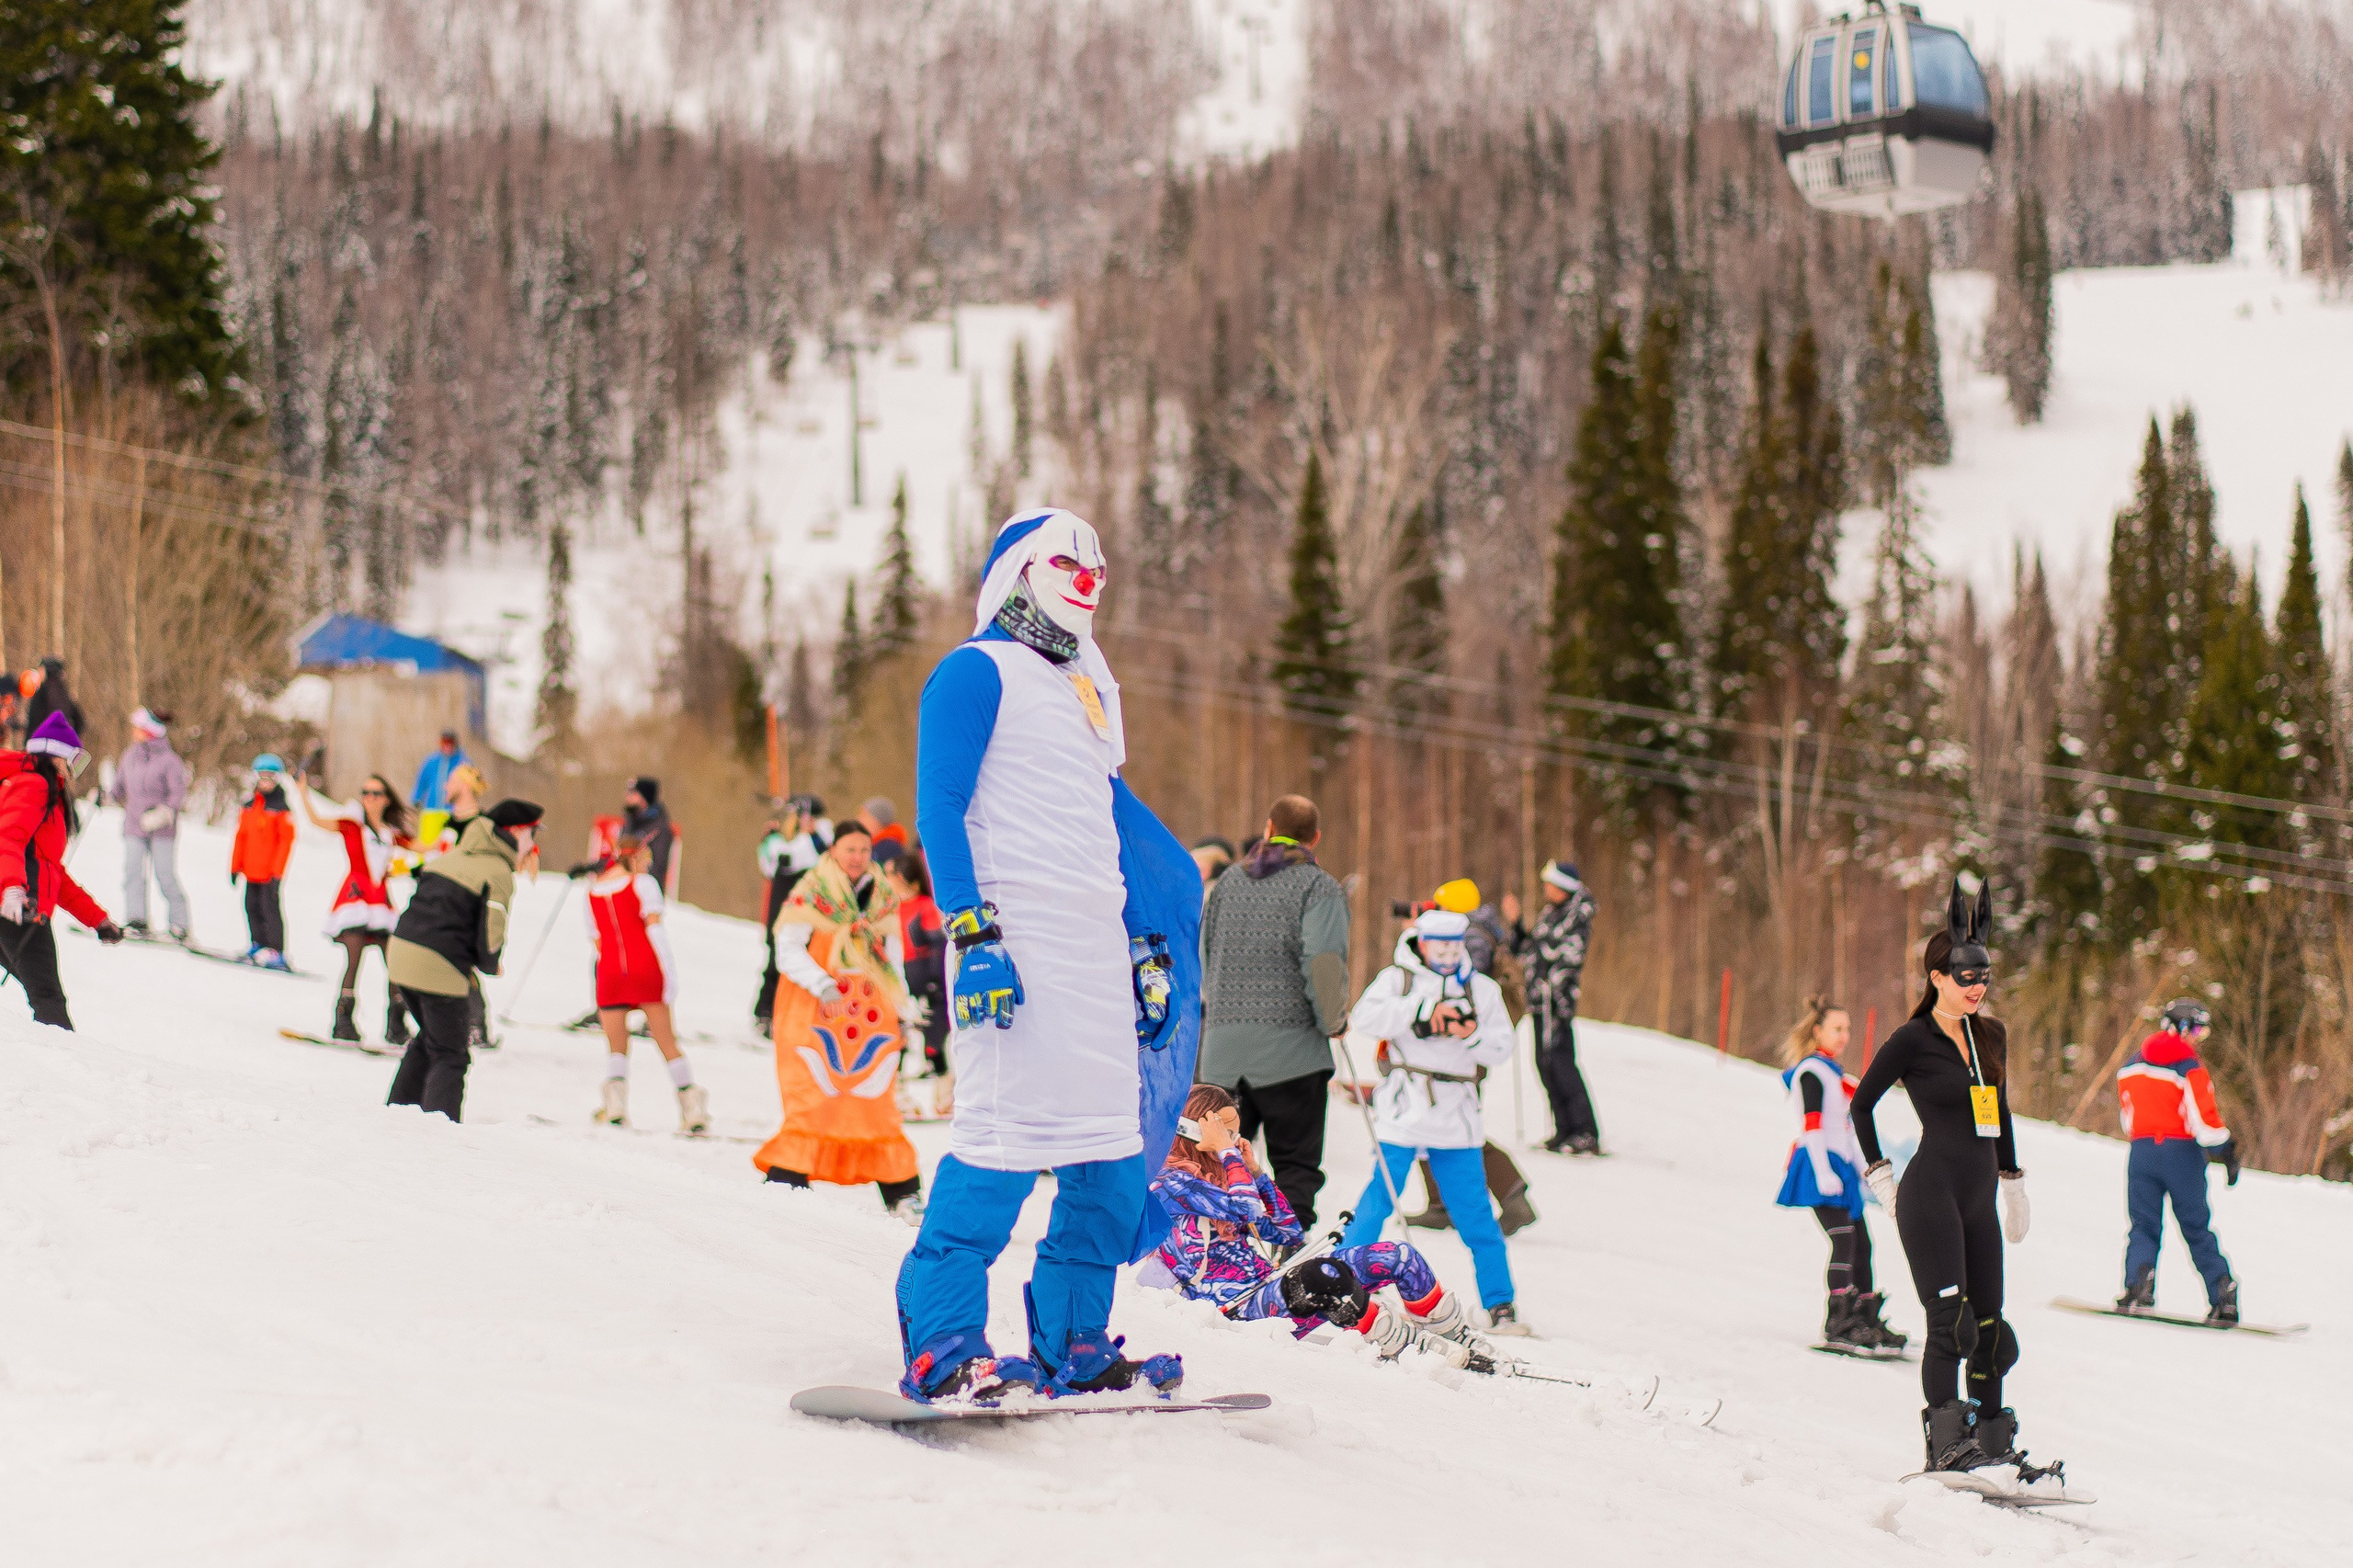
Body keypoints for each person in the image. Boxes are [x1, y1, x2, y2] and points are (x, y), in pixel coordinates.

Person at [895, 506, 1190, 1405]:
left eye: (1099, 560)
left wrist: (1147, 951)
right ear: (1021, 568)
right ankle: (946, 1341)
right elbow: (939, 810)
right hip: (1011, 953)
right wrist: (971, 931)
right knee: (998, 1151)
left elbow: (1114, 836)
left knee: (1107, 1162)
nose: (1090, 574)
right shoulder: (972, 672)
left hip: (1095, 963)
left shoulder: (1087, 696)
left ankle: (1076, 1342)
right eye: (1070, 557)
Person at [1852, 880, 2053, 1481]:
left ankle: (1989, 1442)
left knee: (1991, 1329)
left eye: (1984, 978)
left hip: (1979, 1199)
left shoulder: (1989, 1036)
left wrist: (2012, 1181)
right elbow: (1861, 1105)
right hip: (1930, 1194)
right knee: (1951, 1325)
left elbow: (2002, 1112)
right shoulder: (1912, 1040)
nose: (1977, 988)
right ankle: (1945, 1443)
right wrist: (1882, 1181)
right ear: (1937, 977)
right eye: (1966, 977)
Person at [1139, 1084, 1495, 1366]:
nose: (1233, 1142)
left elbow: (1287, 1232)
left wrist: (1258, 1174)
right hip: (1233, 1308)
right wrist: (1231, 1158)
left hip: (1266, 1286)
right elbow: (1244, 1210)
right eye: (1224, 1133)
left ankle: (1453, 1334)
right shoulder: (1170, 1181)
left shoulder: (1227, 1175)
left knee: (1397, 1256)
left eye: (1234, 1134)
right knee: (1325, 1278)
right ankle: (1404, 1345)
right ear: (1192, 1130)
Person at [1337, 908, 1529, 1335]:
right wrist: (1421, 1010)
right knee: (1379, 1200)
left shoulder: (1481, 989)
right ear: (1421, 943)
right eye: (1438, 944)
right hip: (1404, 1109)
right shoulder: (1397, 979)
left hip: (1456, 1114)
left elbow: (1501, 1047)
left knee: (1475, 1214)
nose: (1446, 952)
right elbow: (1365, 1019)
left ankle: (1500, 1305)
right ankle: (1339, 1281)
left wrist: (1468, 1033)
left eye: (1454, 943)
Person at [1196, 793, 1350, 1230]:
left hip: (1222, 1059)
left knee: (1220, 1164)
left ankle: (1217, 1252)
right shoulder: (1319, 888)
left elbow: (1204, 957)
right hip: (1291, 1058)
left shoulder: (1226, 885)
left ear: (1267, 829)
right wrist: (1333, 1020)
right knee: (1294, 1169)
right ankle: (1287, 1250)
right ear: (1315, 838)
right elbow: (1323, 962)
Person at [755, 820, 923, 1210]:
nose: (858, 858)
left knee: (874, 1101)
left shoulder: (882, 894)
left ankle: (900, 1189)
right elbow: (787, 948)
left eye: (864, 851)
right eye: (850, 850)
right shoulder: (811, 891)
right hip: (815, 1011)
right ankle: (789, 1174)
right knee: (813, 1096)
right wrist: (822, 983)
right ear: (833, 851)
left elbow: (892, 956)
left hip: (868, 1016)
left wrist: (903, 1005)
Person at [386, 800, 541, 1121]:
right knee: (452, 1052)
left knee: (431, 1036)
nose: (534, 843)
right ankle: (441, 1129)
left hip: (401, 954)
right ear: (515, 832)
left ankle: (398, 1113)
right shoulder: (498, 871)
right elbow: (491, 931)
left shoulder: (452, 855)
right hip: (437, 964)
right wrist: (490, 962)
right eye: (533, 834)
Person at [1400, 877, 1536, 1235]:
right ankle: (1445, 1202)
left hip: (1461, 1049)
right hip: (1461, 1047)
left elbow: (1453, 985)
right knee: (1439, 1121)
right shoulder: (1485, 930)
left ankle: (1508, 1192)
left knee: (1451, 1125)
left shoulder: (1471, 937)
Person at [1776, 994, 1905, 1354]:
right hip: (1818, 1166)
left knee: (1863, 1243)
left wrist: (1867, 1170)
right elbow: (1812, 1126)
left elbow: (1847, 1128)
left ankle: (1864, 1317)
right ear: (1817, 1031)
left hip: (1843, 1169)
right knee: (1844, 1239)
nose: (1843, 1035)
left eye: (1847, 1029)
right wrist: (1821, 1172)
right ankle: (1839, 1321)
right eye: (1836, 1029)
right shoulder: (1811, 1072)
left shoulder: (1835, 1075)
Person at [2115, 998, 2241, 1323]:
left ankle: (2138, 1287)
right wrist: (2225, 1150)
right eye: (2197, 1029)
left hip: (2142, 1151)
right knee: (2196, 1228)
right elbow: (2204, 1120)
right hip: (2181, 1154)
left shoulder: (2130, 1065)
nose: (2198, 1037)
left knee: (2143, 1226)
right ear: (2180, 1027)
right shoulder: (2188, 1066)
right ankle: (2223, 1294)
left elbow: (2127, 1118)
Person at [0, 716, 124, 1027]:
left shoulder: (48, 793)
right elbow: (7, 837)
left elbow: (53, 872)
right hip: (18, 909)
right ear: (54, 755)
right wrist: (12, 890)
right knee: (48, 997)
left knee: (41, 991)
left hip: (18, 905)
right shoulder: (34, 785)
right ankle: (68, 1067)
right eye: (74, 759)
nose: (74, 770)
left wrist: (97, 919)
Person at [585, 835, 709, 1134]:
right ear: (638, 857)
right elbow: (654, 930)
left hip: (611, 972)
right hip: (646, 968)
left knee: (616, 1045)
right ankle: (691, 1105)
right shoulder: (643, 885)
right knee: (666, 1040)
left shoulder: (592, 891)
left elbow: (599, 941)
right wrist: (668, 973)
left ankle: (615, 1105)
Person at [293, 771, 415, 1043]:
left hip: (381, 902)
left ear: (386, 800)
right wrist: (302, 791)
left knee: (394, 963)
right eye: (365, 793)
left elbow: (422, 847)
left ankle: (396, 1025)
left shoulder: (391, 833)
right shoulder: (352, 825)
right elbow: (315, 821)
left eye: (375, 793)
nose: (369, 798)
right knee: (354, 959)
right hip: (356, 898)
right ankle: (343, 1022)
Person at [1519, 858, 1600, 1154]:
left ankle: (1585, 1132)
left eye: (1550, 884)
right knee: (1545, 1064)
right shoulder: (1551, 913)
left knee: (1563, 1063)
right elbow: (1531, 948)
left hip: (1558, 1002)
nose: (1545, 889)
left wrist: (1552, 987)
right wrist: (1517, 925)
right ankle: (1564, 1128)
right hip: (1540, 1001)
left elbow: (1568, 958)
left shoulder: (1576, 915)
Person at [112, 707, 192, 941]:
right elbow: (119, 787)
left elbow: (178, 794)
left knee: (164, 874)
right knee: (132, 872)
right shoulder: (130, 755)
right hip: (134, 825)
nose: (135, 731)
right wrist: (106, 796)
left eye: (139, 727)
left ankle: (180, 924)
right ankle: (137, 919)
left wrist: (164, 812)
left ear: (150, 730)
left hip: (161, 828)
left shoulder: (170, 761)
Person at [754, 794, 831, 1028]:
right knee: (776, 960)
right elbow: (774, 862)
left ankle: (790, 1013)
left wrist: (809, 834)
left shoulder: (820, 838)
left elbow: (805, 856)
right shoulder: (780, 840)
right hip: (781, 906)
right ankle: (767, 1012)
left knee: (802, 961)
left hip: (806, 910)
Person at [886, 847, 951, 1083]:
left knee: (930, 1019)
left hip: (923, 971)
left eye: (889, 874)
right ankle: (895, 1064)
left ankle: (935, 1061)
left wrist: (934, 980)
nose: (886, 880)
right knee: (899, 1021)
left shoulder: (924, 905)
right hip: (901, 970)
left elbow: (937, 944)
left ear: (902, 878)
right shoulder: (890, 907)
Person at [229, 756, 297, 970]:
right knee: (251, 907)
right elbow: (241, 837)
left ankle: (277, 951)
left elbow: (285, 843)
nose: (266, 782)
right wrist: (235, 866)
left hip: (269, 873)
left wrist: (278, 873)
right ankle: (257, 943)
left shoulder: (280, 808)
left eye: (271, 778)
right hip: (251, 871)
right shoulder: (250, 805)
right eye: (262, 777)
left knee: (270, 910)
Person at [22, 658, 87, 755]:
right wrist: (70, 739)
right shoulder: (65, 693)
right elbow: (80, 721)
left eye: (40, 670)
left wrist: (27, 744)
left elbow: (34, 720)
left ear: (46, 670)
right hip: (61, 751)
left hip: (41, 749)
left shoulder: (42, 692)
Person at [621, 777, 676, 890]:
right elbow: (617, 857)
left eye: (632, 792)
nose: (627, 796)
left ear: (644, 797)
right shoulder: (630, 823)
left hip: (643, 890)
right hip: (623, 885)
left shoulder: (660, 829)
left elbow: (657, 869)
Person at [411, 730, 469, 812]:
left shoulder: (463, 762)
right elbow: (421, 782)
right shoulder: (431, 761)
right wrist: (416, 799)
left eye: (450, 742)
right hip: (431, 811)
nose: (447, 746)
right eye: (444, 742)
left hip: (453, 812)